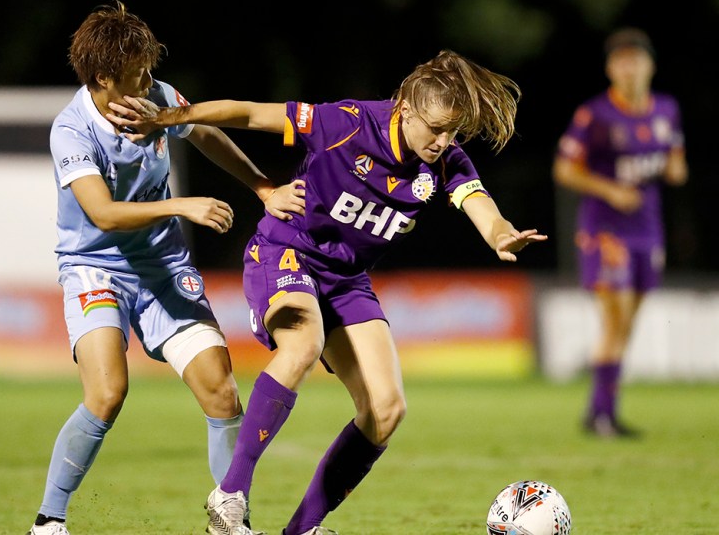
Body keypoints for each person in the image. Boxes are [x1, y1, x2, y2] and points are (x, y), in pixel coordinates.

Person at [109, 49, 547, 535]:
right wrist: (173, 117)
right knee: (304, 342)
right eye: (437, 128)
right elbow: (252, 113)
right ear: (405, 107)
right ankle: (229, 494)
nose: (444, 142)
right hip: (287, 250)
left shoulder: (445, 162)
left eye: (454, 132)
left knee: (386, 408)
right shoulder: (349, 123)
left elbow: (481, 206)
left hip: (347, 279)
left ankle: (302, 530)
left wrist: (502, 233)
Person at [25, 3, 305, 535]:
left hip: (162, 267)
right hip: (95, 267)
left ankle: (230, 521)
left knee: (221, 391)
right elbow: (102, 213)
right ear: (104, 78)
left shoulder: (157, 97)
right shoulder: (72, 130)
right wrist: (181, 205)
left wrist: (262, 188)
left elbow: (204, 133)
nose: (150, 80)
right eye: (138, 73)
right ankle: (49, 520)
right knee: (107, 393)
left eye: (151, 69)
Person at [553, 27, 687, 438]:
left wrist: (674, 167)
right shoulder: (595, 114)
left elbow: (676, 160)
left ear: (651, 65)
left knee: (627, 324)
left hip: (648, 230)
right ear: (611, 68)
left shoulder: (666, 109)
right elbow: (564, 169)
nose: (630, 68)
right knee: (615, 320)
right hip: (605, 232)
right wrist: (610, 189)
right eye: (622, 60)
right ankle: (604, 415)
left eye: (637, 59)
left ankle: (599, 412)